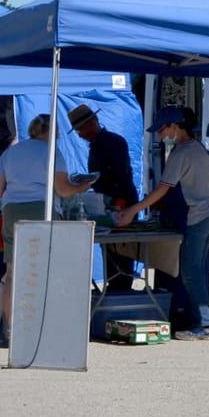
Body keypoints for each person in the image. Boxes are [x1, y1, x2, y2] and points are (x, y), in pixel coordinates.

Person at [115, 105, 209, 339]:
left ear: (175, 126)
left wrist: (133, 210)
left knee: (191, 272)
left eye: (162, 129)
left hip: (198, 215)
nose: (159, 134)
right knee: (197, 270)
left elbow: (162, 189)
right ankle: (202, 322)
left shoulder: (181, 153)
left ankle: (205, 326)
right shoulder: (197, 148)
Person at [0, 112, 93, 336]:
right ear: (51, 131)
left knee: (13, 272)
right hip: (41, 209)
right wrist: (83, 187)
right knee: (46, 269)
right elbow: (63, 189)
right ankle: (45, 326)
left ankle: (11, 329)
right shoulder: (53, 151)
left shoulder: (11, 152)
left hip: (12, 210)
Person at [70, 102, 139, 293]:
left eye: (79, 129)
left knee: (122, 249)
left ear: (91, 124)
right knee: (109, 249)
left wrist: (118, 201)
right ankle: (114, 285)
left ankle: (121, 287)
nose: (79, 134)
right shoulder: (95, 146)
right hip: (106, 200)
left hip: (121, 201)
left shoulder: (114, 142)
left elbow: (120, 174)